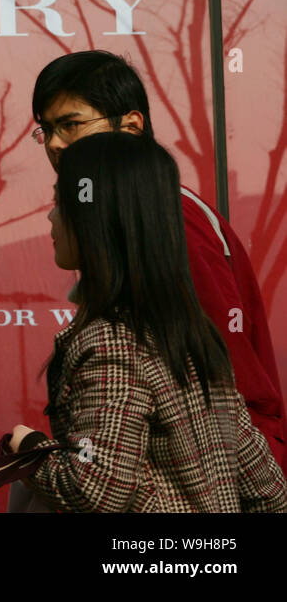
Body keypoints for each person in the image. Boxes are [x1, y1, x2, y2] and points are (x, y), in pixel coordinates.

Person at [29, 50, 286, 468]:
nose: (55, 143)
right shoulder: (117, 220)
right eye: (46, 130)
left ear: (130, 126)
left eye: (70, 124)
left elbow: (226, 373)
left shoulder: (170, 217)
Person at [2, 132, 286, 511]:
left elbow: (96, 490)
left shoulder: (112, 342)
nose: (51, 215)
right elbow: (269, 492)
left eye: (59, 201)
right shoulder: (194, 337)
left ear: (94, 220)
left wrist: (28, 450)